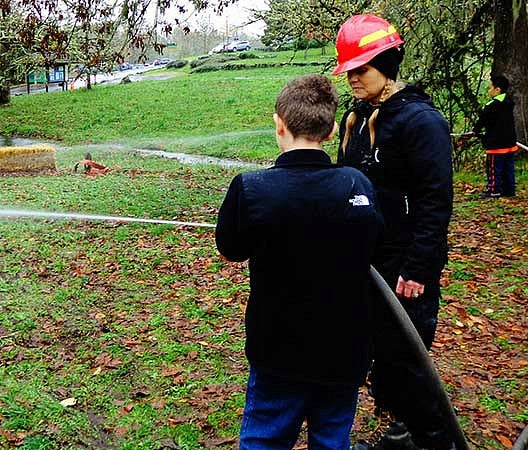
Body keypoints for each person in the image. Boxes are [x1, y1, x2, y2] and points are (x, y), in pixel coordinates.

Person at [216, 74, 383, 450]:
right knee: (331, 441)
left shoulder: (250, 187)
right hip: (345, 351)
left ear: (279, 123)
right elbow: (375, 244)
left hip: (279, 351)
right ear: (330, 131)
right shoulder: (358, 185)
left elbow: (230, 249)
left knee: (265, 440)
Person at [332, 14, 455, 450]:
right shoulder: (358, 118)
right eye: (347, 70)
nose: (351, 79)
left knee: (405, 358)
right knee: (380, 358)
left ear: (387, 63)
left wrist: (419, 266)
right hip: (367, 261)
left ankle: (436, 440)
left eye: (360, 69)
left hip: (405, 265)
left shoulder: (421, 122)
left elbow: (435, 202)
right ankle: (404, 432)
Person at [473, 74, 518, 198]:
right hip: (510, 143)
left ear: (497, 89)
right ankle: (510, 190)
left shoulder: (492, 106)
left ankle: (494, 189)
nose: (489, 90)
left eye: (490, 88)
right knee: (508, 167)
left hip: (496, 144)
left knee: (494, 168)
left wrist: (475, 131)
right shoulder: (509, 103)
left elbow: (482, 121)